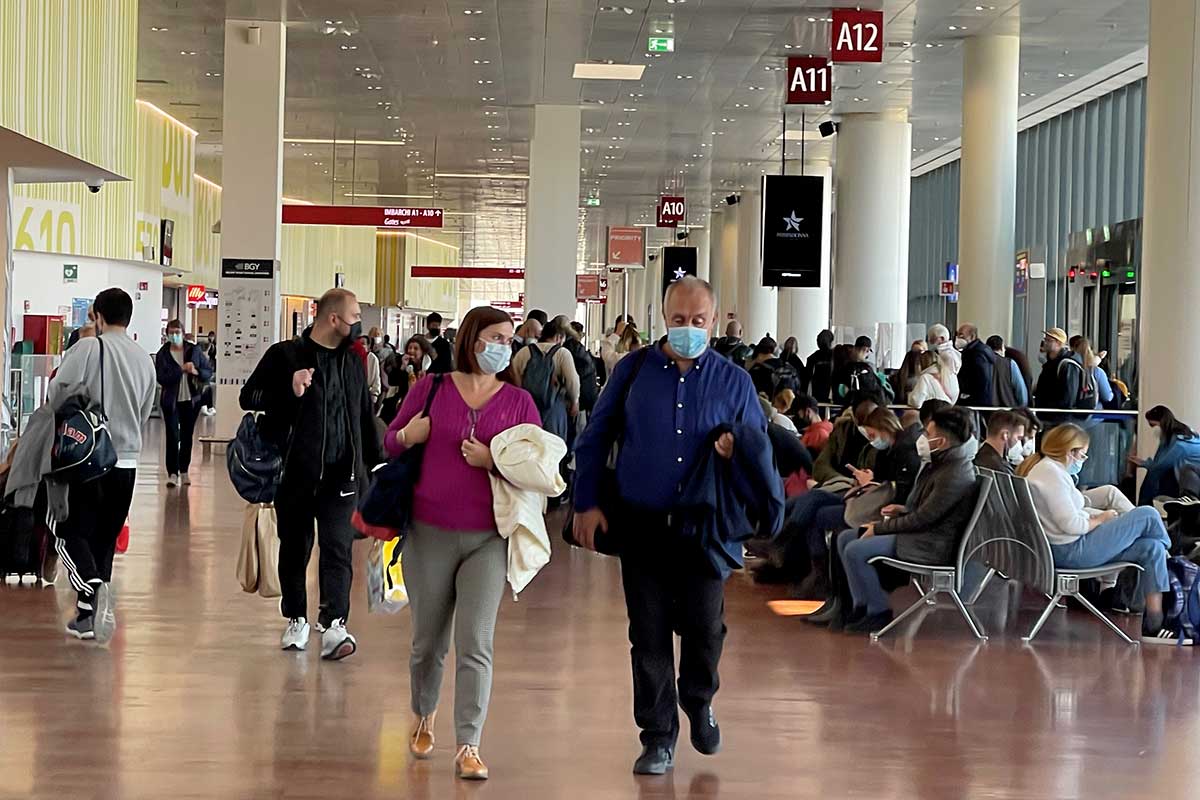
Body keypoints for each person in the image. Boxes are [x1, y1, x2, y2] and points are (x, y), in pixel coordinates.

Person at [573, 276, 766, 776]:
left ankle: (698, 700)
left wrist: (735, 454)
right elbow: (596, 437)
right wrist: (586, 502)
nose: (688, 329)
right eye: (678, 321)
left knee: (706, 628)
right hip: (642, 524)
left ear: (714, 321)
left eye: (697, 321)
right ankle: (658, 735)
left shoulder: (734, 382)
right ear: (664, 319)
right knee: (649, 634)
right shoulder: (634, 371)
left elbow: (759, 453)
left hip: (705, 528)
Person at [385, 306, 541, 781]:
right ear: (472, 339)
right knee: (427, 642)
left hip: (487, 538)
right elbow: (391, 441)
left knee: (476, 641)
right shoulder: (430, 389)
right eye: (495, 336)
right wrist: (411, 434)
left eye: (508, 339)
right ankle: (424, 712)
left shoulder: (518, 401)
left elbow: (538, 466)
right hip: (429, 531)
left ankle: (469, 742)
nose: (503, 346)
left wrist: (493, 459)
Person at [240, 288, 383, 661]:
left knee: (337, 547)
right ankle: (296, 617)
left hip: (342, 475)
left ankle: (335, 623)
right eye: (354, 317)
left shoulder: (353, 364)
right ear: (333, 319)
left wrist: (378, 462)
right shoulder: (285, 355)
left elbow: (363, 418)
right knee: (295, 547)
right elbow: (248, 397)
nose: (358, 325)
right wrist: (288, 389)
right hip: (295, 473)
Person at [49, 288, 156, 642]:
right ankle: (88, 614)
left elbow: (57, 394)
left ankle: (90, 584)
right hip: (126, 460)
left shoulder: (88, 348)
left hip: (88, 458)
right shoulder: (144, 359)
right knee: (105, 536)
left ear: (97, 314)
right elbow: (145, 412)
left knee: (69, 528)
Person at [1018, 424, 1179, 644]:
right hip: (1072, 551)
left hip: (1064, 547)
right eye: (1083, 453)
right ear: (1070, 452)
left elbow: (1070, 514)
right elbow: (1072, 524)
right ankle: (1177, 566)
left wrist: (1101, 518)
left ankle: (1155, 622)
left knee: (1152, 547)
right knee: (1148, 514)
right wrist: (1102, 519)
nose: (1083, 459)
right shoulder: (1052, 475)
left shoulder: (1047, 471)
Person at [837, 406, 979, 633]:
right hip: (921, 533)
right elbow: (926, 511)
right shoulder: (942, 462)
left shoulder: (955, 473)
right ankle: (859, 605)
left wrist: (880, 528)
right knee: (845, 538)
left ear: (942, 441)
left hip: (930, 544)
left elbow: (924, 519)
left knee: (855, 550)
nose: (923, 438)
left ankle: (878, 609)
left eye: (929, 434)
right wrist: (902, 509)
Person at [155, 318, 214, 487]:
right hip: (171, 402)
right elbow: (161, 377)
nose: (175, 336)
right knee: (172, 435)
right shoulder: (163, 354)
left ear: (182, 333)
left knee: (187, 436)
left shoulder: (194, 351)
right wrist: (179, 370)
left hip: (191, 400)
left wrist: (195, 370)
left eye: (177, 332)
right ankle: (172, 472)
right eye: (171, 333)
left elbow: (207, 372)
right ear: (167, 334)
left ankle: (184, 470)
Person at [509, 317, 580, 442]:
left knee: (529, 443)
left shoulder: (524, 352)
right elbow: (572, 381)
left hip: (528, 406)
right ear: (558, 337)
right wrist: (574, 401)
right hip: (554, 407)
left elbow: (514, 376)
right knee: (554, 445)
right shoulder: (562, 353)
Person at [1131, 405, 1200, 504]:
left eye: (1154, 425)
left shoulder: (1180, 444)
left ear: (1162, 424)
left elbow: (1160, 466)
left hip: (1192, 479)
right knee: (1154, 475)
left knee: (1153, 476)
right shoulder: (1179, 434)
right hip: (1186, 475)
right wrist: (1146, 463)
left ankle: (1143, 506)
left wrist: (1145, 464)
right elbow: (1159, 460)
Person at [1033, 327, 1090, 411]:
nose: (1045, 343)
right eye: (1045, 339)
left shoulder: (1067, 364)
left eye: (1049, 340)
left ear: (1059, 343)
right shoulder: (1049, 363)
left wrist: (1046, 406)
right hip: (1046, 414)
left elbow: (1068, 399)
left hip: (1058, 417)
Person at [954, 323, 995, 406]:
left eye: (961, 335)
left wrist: (967, 394)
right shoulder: (979, 350)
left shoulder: (976, 353)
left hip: (974, 401)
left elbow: (982, 378)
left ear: (972, 336)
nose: (957, 338)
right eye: (957, 335)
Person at [986, 335, 1029, 407]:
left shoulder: (982, 362)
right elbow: (1021, 390)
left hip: (985, 410)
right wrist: (1021, 406)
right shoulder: (1010, 364)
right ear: (1002, 348)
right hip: (1007, 410)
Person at [1071, 337, 1113, 409]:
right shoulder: (1097, 371)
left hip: (1067, 413)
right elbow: (1107, 397)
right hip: (1091, 415)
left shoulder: (1068, 367)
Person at [927, 324, 961, 402]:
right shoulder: (948, 353)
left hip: (945, 390)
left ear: (941, 338)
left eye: (932, 339)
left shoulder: (948, 355)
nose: (930, 342)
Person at [807, 329, 836, 403]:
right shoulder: (836, 357)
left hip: (816, 394)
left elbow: (807, 377)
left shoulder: (812, 357)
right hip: (832, 394)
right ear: (831, 342)